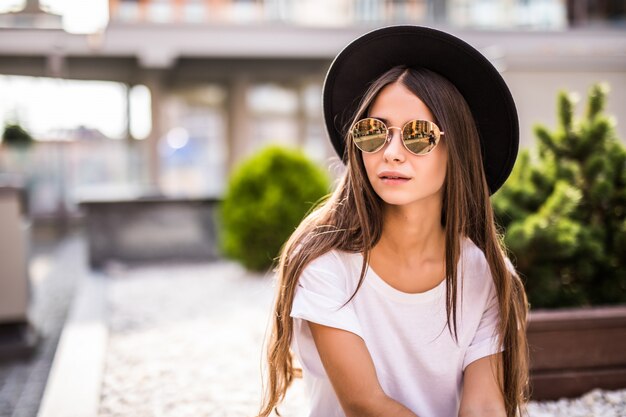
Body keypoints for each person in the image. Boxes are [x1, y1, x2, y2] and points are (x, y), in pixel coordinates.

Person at [258, 25, 529, 417]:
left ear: (458, 149)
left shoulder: (485, 271)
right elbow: (365, 405)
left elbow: (484, 405)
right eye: (374, 131)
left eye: (419, 135)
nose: (392, 153)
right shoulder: (325, 262)